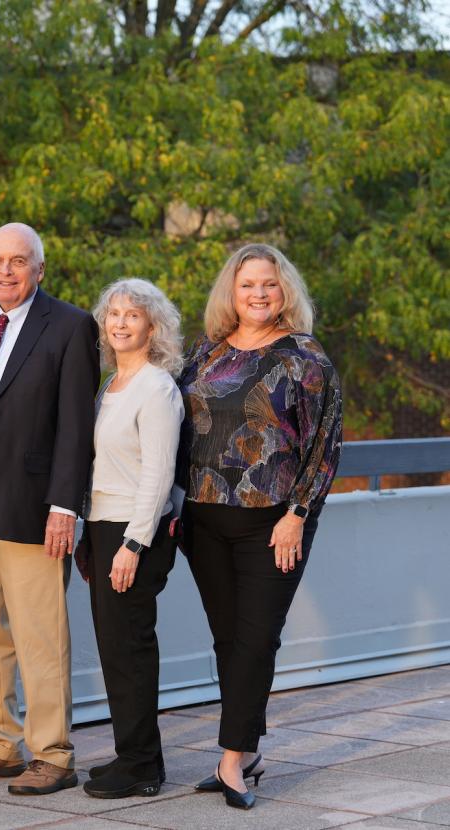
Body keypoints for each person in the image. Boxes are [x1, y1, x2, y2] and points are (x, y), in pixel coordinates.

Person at [177, 243, 342, 810]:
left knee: (256, 639)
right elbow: (178, 432)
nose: (258, 294)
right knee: (229, 639)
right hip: (202, 519)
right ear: (232, 291)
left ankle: (229, 759)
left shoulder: (305, 357)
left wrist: (298, 514)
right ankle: (246, 750)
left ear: (284, 290)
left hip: (274, 523)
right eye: (247, 284)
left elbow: (324, 445)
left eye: (268, 284)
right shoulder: (203, 353)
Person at [0, 222, 100, 795]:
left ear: (39, 269)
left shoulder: (71, 326)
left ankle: (53, 752)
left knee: (38, 629)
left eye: (18, 261)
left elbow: (76, 426)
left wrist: (66, 504)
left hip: (36, 502)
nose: (5, 270)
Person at [75, 279, 184, 799]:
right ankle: (135, 755)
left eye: (132, 316)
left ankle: (141, 766)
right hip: (104, 527)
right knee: (115, 650)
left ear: (152, 327)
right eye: (112, 314)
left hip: (133, 533)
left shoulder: (156, 386)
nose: (119, 323)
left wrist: (133, 545)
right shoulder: (110, 384)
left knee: (130, 651)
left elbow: (159, 474)